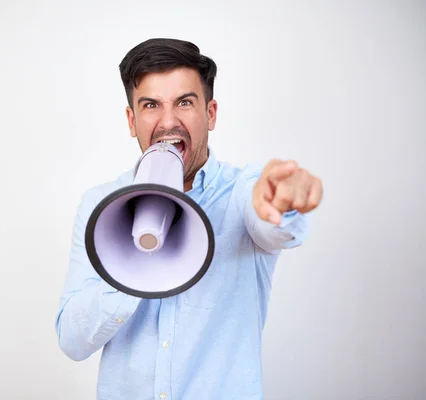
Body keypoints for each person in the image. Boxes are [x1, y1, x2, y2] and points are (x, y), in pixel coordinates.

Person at [55, 38, 323, 399]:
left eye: (184, 102)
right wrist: (131, 267)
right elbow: (73, 341)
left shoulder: (242, 192)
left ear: (210, 114)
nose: (169, 122)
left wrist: (281, 201)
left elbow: (275, 226)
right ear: (132, 121)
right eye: (151, 105)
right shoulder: (100, 206)